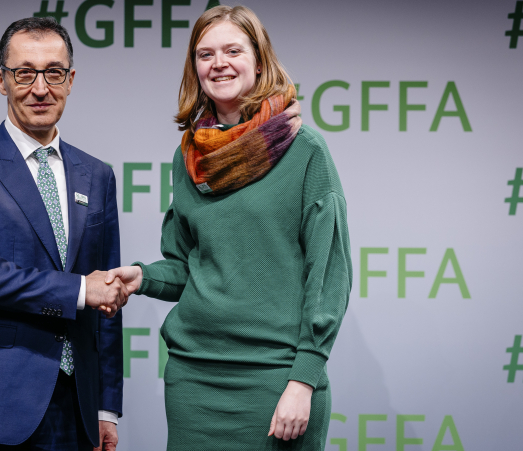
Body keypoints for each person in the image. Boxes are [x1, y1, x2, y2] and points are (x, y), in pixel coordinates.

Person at [106, 5, 352, 450]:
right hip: (193, 379)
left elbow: (329, 275)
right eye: (205, 54)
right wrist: (142, 277)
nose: (218, 63)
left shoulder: (305, 150)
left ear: (259, 60)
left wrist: (304, 380)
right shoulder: (189, 158)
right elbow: (185, 265)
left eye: (232, 50)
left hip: (276, 380)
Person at [0, 17, 126, 451]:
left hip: (75, 409)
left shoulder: (97, 175)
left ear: (70, 80)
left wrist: (106, 407)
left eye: (53, 72)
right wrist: (78, 290)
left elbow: (107, 297)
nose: (40, 88)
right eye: (24, 73)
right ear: (1, 80)